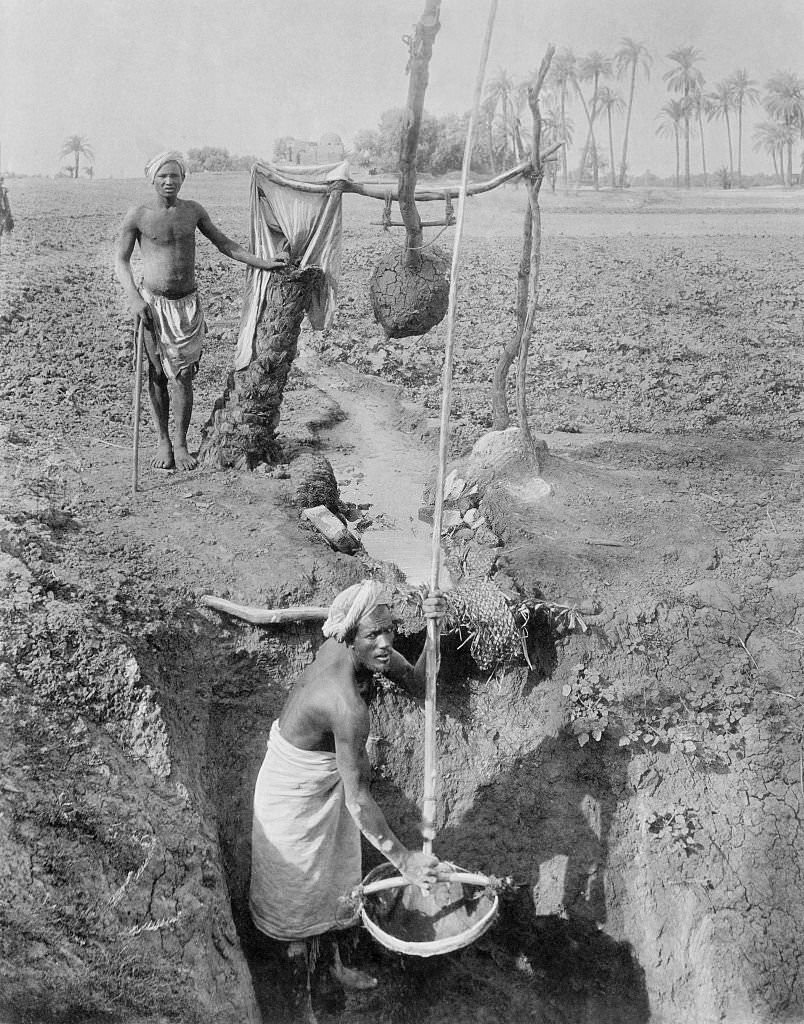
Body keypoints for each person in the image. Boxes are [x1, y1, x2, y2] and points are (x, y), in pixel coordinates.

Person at [249, 580, 447, 1014]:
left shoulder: (354, 645)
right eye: (374, 635)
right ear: (350, 635)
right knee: (296, 905)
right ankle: (297, 1003)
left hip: (326, 787)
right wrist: (406, 861)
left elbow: (418, 683)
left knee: (335, 880)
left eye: (390, 632)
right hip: (292, 801)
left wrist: (434, 629)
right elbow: (358, 800)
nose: (385, 644)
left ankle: (333, 966)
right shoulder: (343, 704)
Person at [114, 151, 288, 471]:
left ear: (183, 179)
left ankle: (181, 444)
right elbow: (121, 261)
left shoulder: (192, 212)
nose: (169, 181)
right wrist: (134, 298)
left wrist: (265, 263)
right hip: (152, 305)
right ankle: (163, 441)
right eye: (163, 176)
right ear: (152, 178)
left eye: (175, 175)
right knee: (156, 375)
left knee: (182, 376)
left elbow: (226, 245)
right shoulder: (138, 215)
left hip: (187, 306)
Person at [0, 177, 14, 248]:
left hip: (4, 205)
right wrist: (4, 206)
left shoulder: (3, 188)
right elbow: (2, 198)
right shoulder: (3, 188)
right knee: (3, 219)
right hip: (4, 206)